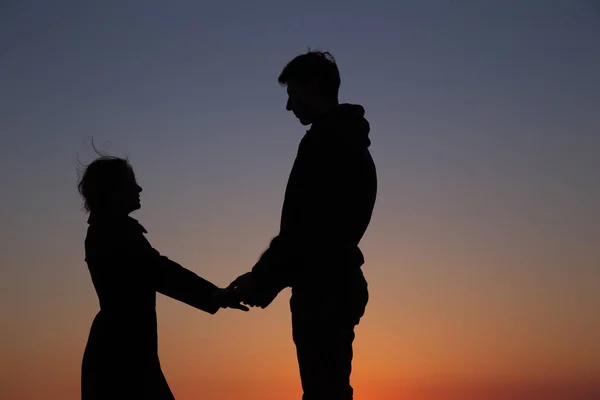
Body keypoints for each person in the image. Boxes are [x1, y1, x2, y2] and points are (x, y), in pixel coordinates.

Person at [229, 50, 377, 400]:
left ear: (313, 87)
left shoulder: (324, 143)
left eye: (292, 95)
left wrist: (261, 279)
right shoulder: (350, 140)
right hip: (337, 284)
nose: (288, 107)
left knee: (324, 392)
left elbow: (304, 230)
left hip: (324, 290)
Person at [77, 153, 247, 400]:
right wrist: (214, 294)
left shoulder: (108, 230)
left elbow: (157, 270)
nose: (139, 188)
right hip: (124, 353)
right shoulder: (116, 232)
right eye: (130, 183)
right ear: (112, 190)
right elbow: (159, 271)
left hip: (122, 348)